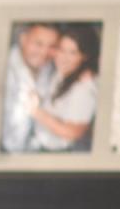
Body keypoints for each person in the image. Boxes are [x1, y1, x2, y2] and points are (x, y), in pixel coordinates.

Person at [27, 24, 99, 152]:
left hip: (58, 154)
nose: (63, 57)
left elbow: (72, 133)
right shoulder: (63, 71)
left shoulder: (84, 89)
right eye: (61, 49)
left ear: (84, 56)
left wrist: (36, 111)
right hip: (40, 142)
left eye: (72, 52)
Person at [0, 22, 59, 152]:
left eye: (52, 46)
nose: (44, 52)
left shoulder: (52, 69)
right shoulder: (2, 69)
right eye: (38, 44)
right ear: (23, 39)